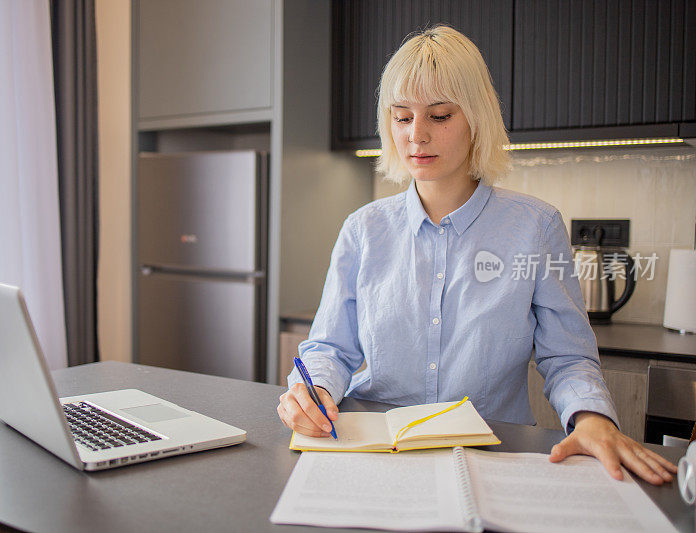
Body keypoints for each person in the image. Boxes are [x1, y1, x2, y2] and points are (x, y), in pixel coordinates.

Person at [276, 25, 677, 485]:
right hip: (372, 452)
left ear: (477, 119)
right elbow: (329, 348)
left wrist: (592, 418)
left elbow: (567, 356)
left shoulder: (536, 227)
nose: (416, 135)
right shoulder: (363, 230)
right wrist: (313, 390)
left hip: (490, 455)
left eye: (440, 116)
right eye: (402, 117)